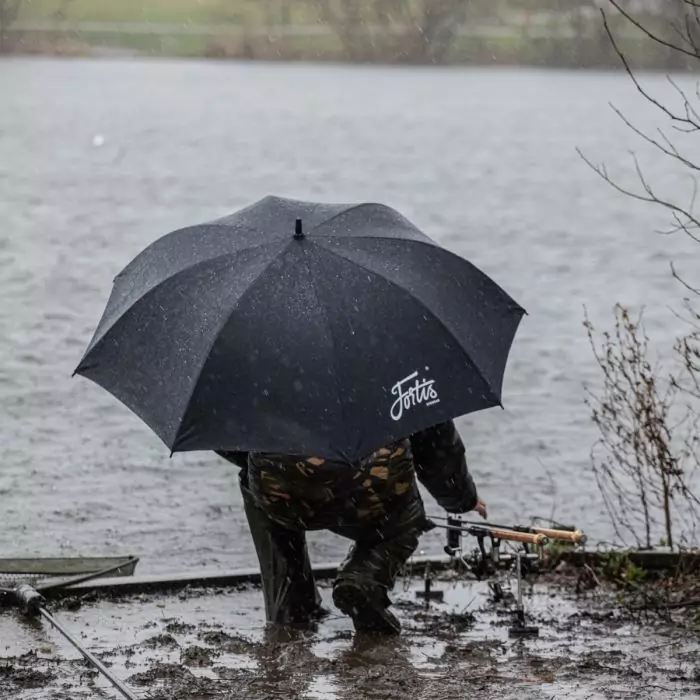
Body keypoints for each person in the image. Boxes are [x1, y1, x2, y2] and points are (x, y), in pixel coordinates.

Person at [217, 420, 486, 635]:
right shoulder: (394, 357)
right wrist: (462, 498)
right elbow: (435, 439)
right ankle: (364, 576)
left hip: (284, 492)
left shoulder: (263, 363)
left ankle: (291, 609)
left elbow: (225, 437)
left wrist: (278, 461)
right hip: (373, 489)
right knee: (407, 514)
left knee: (255, 481)